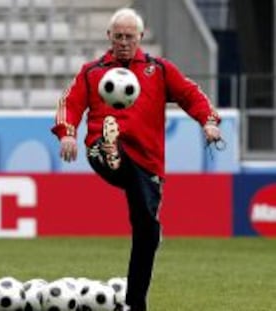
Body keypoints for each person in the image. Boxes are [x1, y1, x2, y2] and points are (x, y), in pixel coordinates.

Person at [51, 7, 222, 311]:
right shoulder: (92, 72)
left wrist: (208, 121)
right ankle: (111, 148)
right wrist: (67, 133)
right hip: (98, 148)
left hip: (148, 162)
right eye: (118, 36)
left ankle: (135, 304)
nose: (124, 42)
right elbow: (70, 103)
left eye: (130, 36)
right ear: (109, 37)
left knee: (146, 232)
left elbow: (191, 94)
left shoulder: (159, 69)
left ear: (141, 37)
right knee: (109, 152)